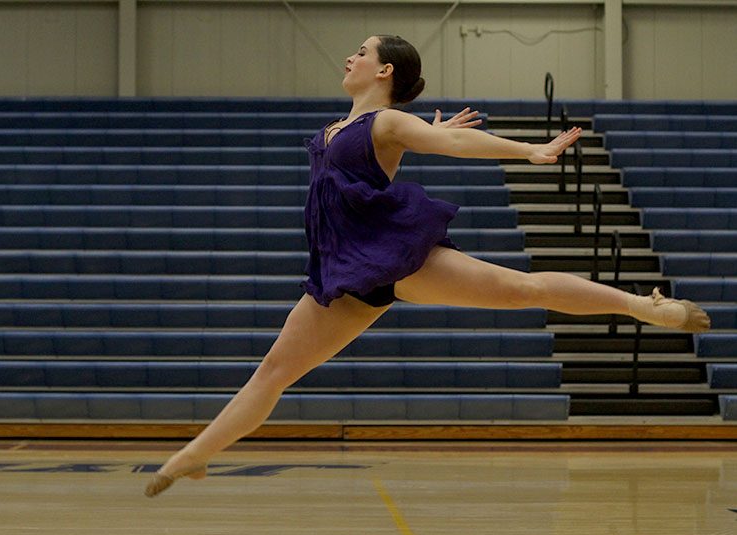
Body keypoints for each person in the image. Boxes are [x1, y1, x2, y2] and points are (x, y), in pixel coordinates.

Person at [145, 34, 710, 497]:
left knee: (522, 289)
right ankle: (195, 457)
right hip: (345, 273)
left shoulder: (386, 123)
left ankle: (645, 306)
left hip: (393, 253)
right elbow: (433, 142)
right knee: (274, 372)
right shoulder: (331, 131)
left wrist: (529, 151)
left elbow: (460, 148)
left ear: (384, 70)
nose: (350, 57)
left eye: (361, 52)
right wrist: (438, 132)